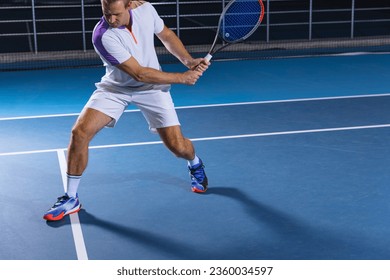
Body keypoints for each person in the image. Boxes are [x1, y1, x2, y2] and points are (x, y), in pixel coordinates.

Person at [43, 0, 210, 221]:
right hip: (117, 87)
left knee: (178, 148)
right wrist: (182, 78)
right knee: (79, 132)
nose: (111, 20)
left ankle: (195, 163)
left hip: (153, 88)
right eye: (106, 14)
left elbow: (166, 35)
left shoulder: (146, 10)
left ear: (130, 5)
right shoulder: (102, 35)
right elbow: (139, 73)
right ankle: (71, 197)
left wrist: (187, 61)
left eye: (116, 14)